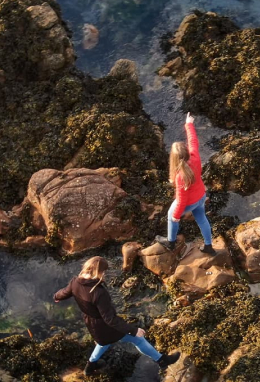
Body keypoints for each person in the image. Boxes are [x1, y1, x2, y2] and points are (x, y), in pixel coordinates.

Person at [54, 256, 180, 375]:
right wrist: (134, 330)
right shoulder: (98, 292)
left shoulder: (75, 282)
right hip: (106, 328)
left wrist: (56, 297)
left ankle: (90, 366)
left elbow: (64, 293)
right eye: (104, 272)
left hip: (91, 324)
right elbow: (110, 320)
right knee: (138, 339)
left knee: (102, 343)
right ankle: (162, 360)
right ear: (100, 272)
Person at [158, 112, 215, 255]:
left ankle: (171, 242)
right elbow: (193, 141)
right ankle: (208, 246)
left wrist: (176, 216)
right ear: (187, 152)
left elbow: (181, 201)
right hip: (201, 196)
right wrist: (189, 124)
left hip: (189, 202)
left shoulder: (180, 176)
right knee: (202, 219)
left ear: (174, 158)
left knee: (171, 216)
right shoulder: (195, 157)